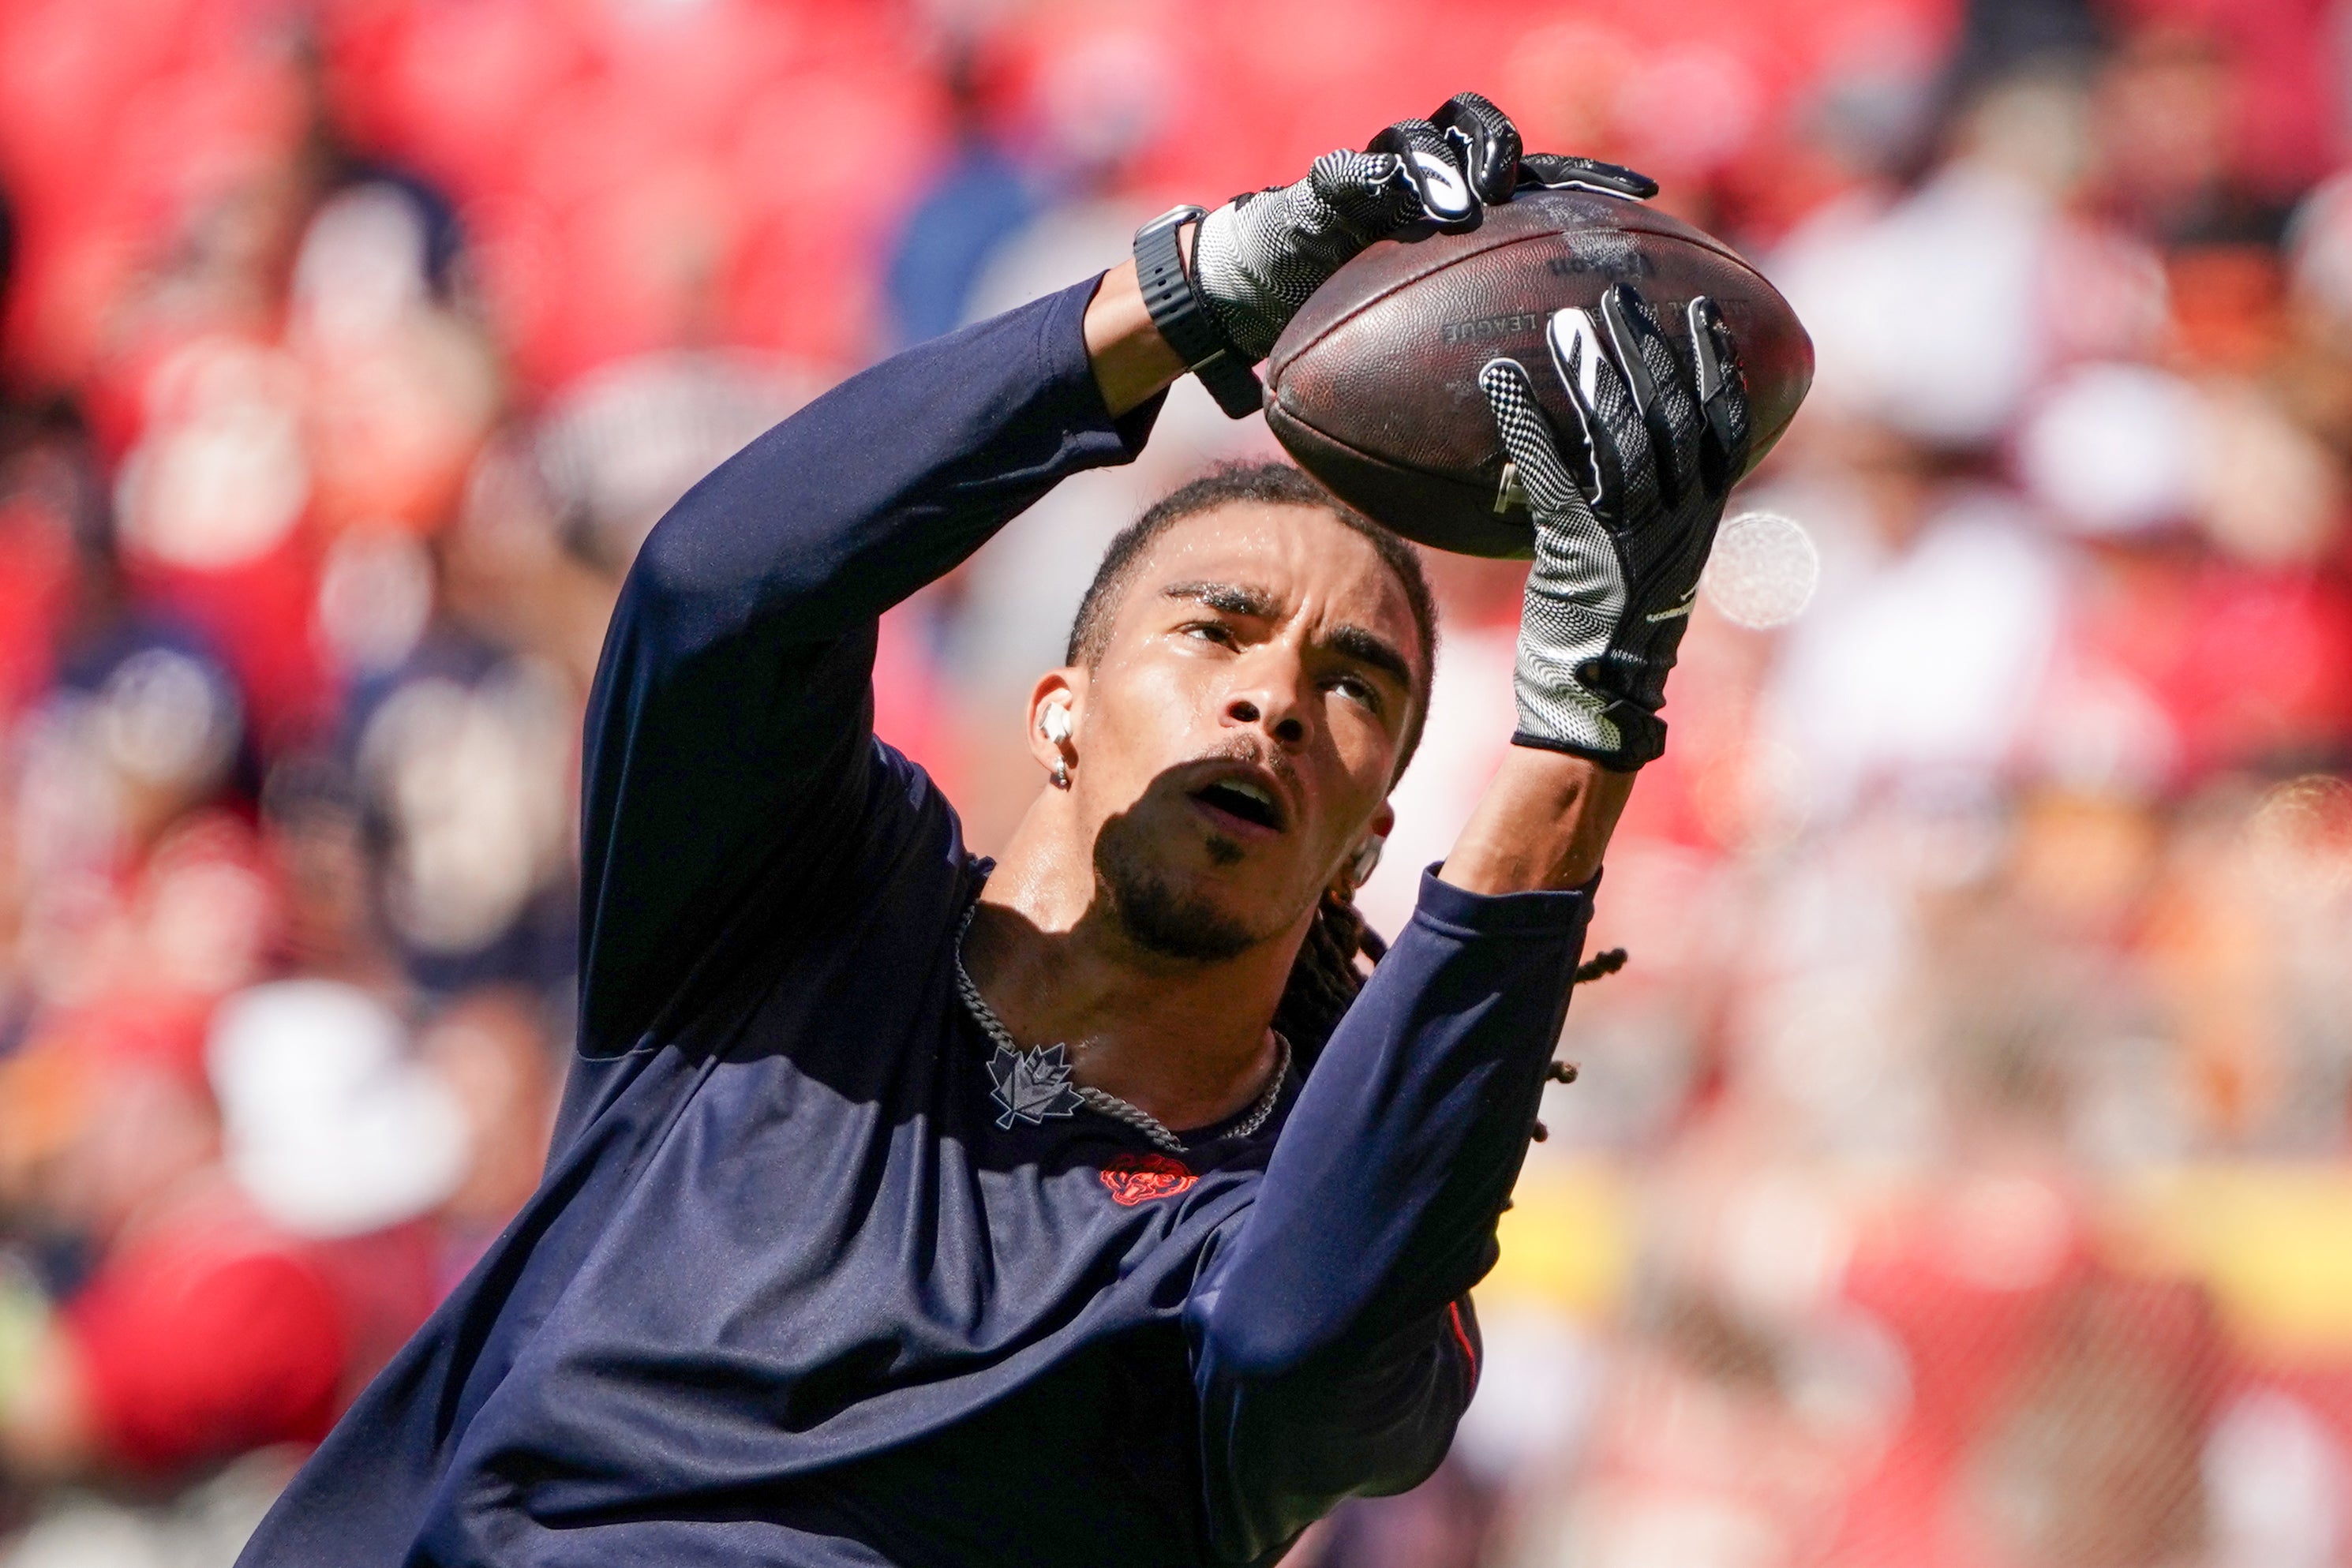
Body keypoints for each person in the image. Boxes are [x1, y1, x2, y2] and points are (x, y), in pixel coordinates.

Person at [234, 94, 1750, 1568]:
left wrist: (1585, 715)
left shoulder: (1292, 1215)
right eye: (1216, 630)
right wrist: (1186, 295)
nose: (1274, 699)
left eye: (1353, 687)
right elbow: (717, 594)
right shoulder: (799, 916)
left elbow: (1305, 1339)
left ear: (1370, 840)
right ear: (1058, 716)